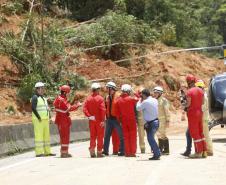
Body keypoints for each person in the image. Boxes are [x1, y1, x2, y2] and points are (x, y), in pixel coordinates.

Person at [53, 85, 82, 158]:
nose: (69, 94)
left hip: (61, 120)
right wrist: (77, 105)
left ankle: (64, 152)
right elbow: (68, 109)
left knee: (64, 137)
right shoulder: (62, 100)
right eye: (68, 93)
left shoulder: (59, 99)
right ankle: (64, 153)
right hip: (63, 121)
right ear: (65, 92)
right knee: (65, 137)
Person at [185, 74, 207, 158]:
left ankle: (198, 152)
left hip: (192, 113)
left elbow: (188, 103)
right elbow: (203, 102)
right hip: (200, 112)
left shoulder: (189, 92)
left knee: (194, 133)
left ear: (188, 82)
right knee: (200, 132)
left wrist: (184, 105)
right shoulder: (201, 91)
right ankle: (204, 151)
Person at [31, 82, 55, 157]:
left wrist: (50, 118)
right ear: (38, 89)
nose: (43, 90)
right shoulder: (35, 97)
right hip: (38, 120)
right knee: (39, 136)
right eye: (41, 88)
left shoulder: (44, 98)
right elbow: (33, 108)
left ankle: (47, 152)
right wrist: (38, 117)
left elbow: (47, 109)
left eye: (43, 88)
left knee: (46, 136)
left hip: (45, 120)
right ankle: (39, 153)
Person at [83, 83, 106, 158]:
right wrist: (103, 120)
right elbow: (103, 109)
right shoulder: (100, 98)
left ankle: (92, 150)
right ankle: (99, 152)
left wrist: (89, 116)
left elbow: (84, 109)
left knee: (92, 136)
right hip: (99, 121)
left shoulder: (88, 98)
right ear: (98, 89)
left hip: (92, 120)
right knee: (100, 136)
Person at [136, 89, 160, 160]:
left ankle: (157, 154)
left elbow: (138, 108)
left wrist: (139, 100)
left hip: (151, 123)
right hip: (156, 121)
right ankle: (157, 153)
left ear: (143, 95)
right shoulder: (155, 100)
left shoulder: (145, 102)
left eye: (142, 95)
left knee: (150, 139)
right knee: (151, 138)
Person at [115, 84, 138, 157]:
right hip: (132, 121)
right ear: (128, 91)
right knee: (133, 136)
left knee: (126, 137)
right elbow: (139, 99)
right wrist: (134, 93)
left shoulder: (118, 100)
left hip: (123, 121)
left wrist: (119, 121)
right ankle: (132, 153)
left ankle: (127, 153)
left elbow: (117, 113)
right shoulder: (131, 99)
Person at [103, 81, 124, 156]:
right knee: (106, 136)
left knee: (121, 135)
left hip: (117, 119)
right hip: (109, 119)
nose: (107, 90)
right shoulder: (107, 97)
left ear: (112, 88)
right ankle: (105, 151)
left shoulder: (118, 96)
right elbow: (105, 108)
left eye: (108, 88)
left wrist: (121, 119)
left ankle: (122, 151)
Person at [195, 79, 213, 156]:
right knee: (204, 134)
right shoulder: (203, 95)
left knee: (206, 134)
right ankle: (206, 149)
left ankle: (209, 150)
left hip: (204, 118)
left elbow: (202, 108)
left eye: (199, 87)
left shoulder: (203, 96)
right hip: (204, 117)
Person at [153, 86, 170, 155]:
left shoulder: (164, 100)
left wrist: (168, 120)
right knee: (159, 135)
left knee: (162, 134)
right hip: (157, 119)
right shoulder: (155, 100)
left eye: (156, 93)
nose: (155, 94)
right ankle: (165, 150)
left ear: (160, 93)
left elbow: (167, 111)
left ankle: (163, 150)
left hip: (162, 120)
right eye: (154, 93)